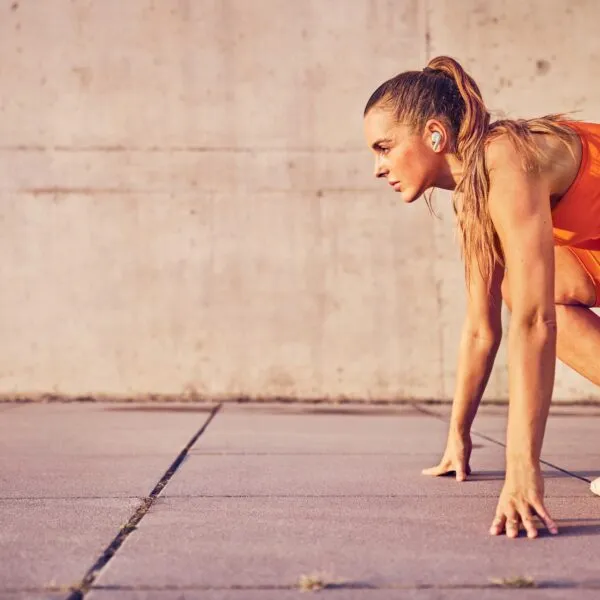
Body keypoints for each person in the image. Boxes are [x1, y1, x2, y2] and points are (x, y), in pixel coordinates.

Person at [363, 55, 600, 539]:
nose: (377, 167)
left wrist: (521, 470)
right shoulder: (473, 195)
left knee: (532, 296)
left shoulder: (506, 156)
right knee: (526, 285)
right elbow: (480, 328)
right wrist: (459, 433)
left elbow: (534, 324)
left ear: (433, 135)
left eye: (384, 148)